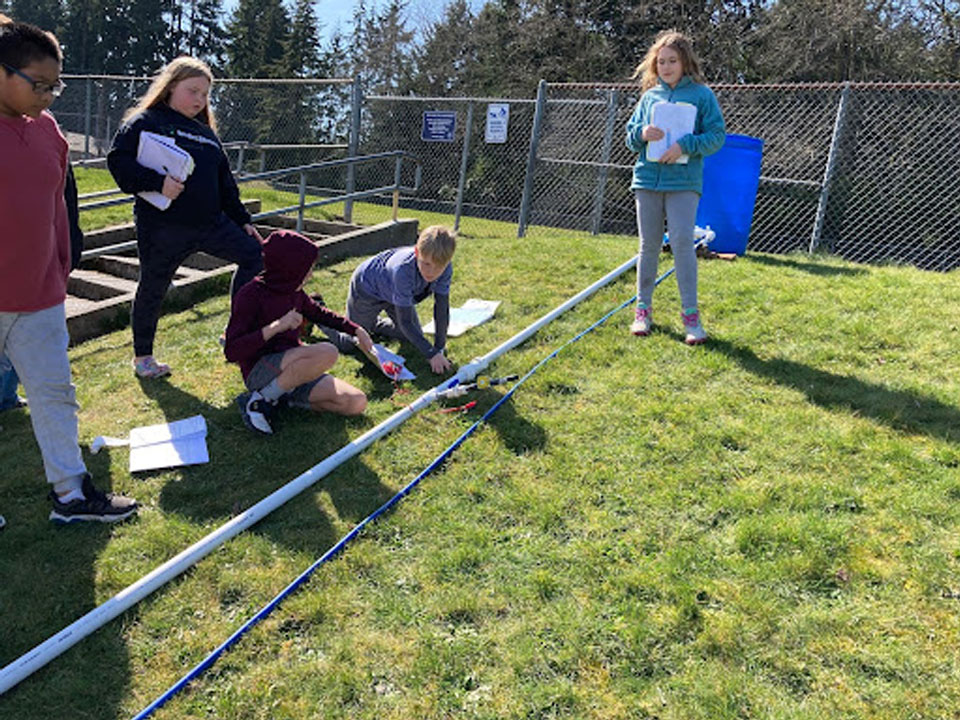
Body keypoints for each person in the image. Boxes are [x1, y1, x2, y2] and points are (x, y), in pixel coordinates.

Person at [0, 16, 138, 523]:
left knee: (55, 395)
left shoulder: (48, 130)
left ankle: (71, 495)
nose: (49, 96)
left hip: (38, 297)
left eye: (55, 85)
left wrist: (61, 262)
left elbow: (59, 201)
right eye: (39, 84)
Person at [107, 56, 263, 379]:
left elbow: (225, 185)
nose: (199, 100)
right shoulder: (145, 121)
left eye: (205, 95)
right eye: (192, 91)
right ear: (170, 86)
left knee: (255, 256)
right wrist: (157, 182)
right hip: (163, 227)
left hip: (211, 224)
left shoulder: (207, 135)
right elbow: (118, 162)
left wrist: (242, 219)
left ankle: (234, 334)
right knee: (153, 286)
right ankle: (143, 359)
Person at [625, 29, 725, 344]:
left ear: (685, 63)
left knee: (683, 243)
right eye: (661, 61)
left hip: (684, 183)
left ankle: (691, 319)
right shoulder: (648, 97)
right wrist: (642, 133)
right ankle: (643, 312)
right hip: (646, 181)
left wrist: (685, 145)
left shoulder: (702, 95)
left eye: (672, 61)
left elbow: (716, 136)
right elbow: (629, 137)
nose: (666, 67)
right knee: (648, 246)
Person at [224, 230, 374, 435]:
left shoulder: (294, 292)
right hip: (260, 371)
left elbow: (320, 313)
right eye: (307, 268)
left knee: (356, 402)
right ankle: (260, 400)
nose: (311, 273)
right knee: (328, 352)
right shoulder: (251, 294)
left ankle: (281, 399)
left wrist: (356, 330)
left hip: (295, 370)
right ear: (288, 268)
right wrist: (276, 326)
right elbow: (232, 351)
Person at [329, 225, 455, 374]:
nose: (431, 272)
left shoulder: (445, 268)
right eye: (426, 264)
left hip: (393, 293)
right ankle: (318, 313)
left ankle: (371, 324)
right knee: (349, 343)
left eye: (438, 267)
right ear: (417, 252)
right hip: (368, 289)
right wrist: (430, 353)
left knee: (410, 336)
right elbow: (406, 322)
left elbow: (441, 308)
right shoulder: (403, 270)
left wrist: (439, 348)